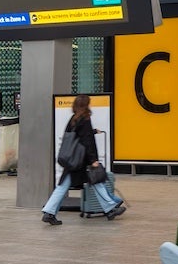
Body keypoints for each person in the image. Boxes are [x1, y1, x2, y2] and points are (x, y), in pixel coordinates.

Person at [41, 94, 125, 225]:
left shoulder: (73, 119)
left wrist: (92, 131)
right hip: (82, 160)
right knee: (96, 181)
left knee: (63, 186)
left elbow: (77, 137)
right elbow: (87, 141)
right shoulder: (85, 119)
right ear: (86, 105)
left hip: (72, 160)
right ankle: (110, 208)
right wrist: (93, 160)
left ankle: (49, 212)